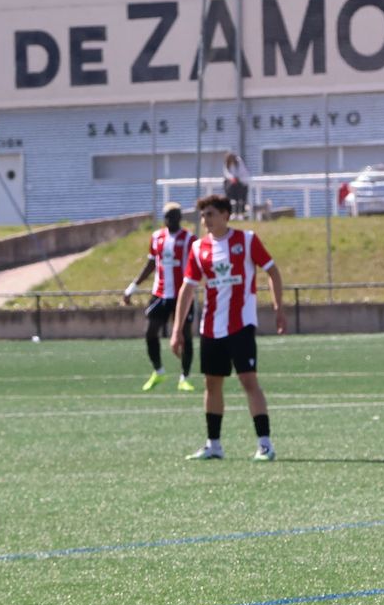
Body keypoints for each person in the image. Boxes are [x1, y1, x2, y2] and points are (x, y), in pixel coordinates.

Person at [170, 194, 285, 461]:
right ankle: (213, 445)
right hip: (211, 327)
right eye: (202, 215)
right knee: (212, 384)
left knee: (248, 380)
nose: (205, 220)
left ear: (225, 215)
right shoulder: (198, 248)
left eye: (210, 214)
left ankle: (265, 444)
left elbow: (273, 271)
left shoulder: (247, 240)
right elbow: (187, 289)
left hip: (241, 324)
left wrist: (278, 307)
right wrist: (177, 329)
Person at [122, 201, 196, 392]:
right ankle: (159, 371)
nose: (170, 219)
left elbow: (198, 264)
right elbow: (151, 264)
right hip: (160, 293)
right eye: (167, 216)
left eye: (173, 216)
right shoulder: (157, 237)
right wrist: (133, 287)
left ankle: (185, 377)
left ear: (180, 217)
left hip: (182, 295)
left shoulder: (189, 239)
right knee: (150, 331)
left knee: (185, 335)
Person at [222, 152, 251, 217]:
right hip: (232, 183)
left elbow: (242, 172)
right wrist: (232, 178)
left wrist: (237, 178)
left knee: (241, 199)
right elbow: (226, 173)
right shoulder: (227, 163)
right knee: (230, 197)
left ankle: (241, 213)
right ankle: (232, 212)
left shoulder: (238, 161)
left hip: (241, 183)